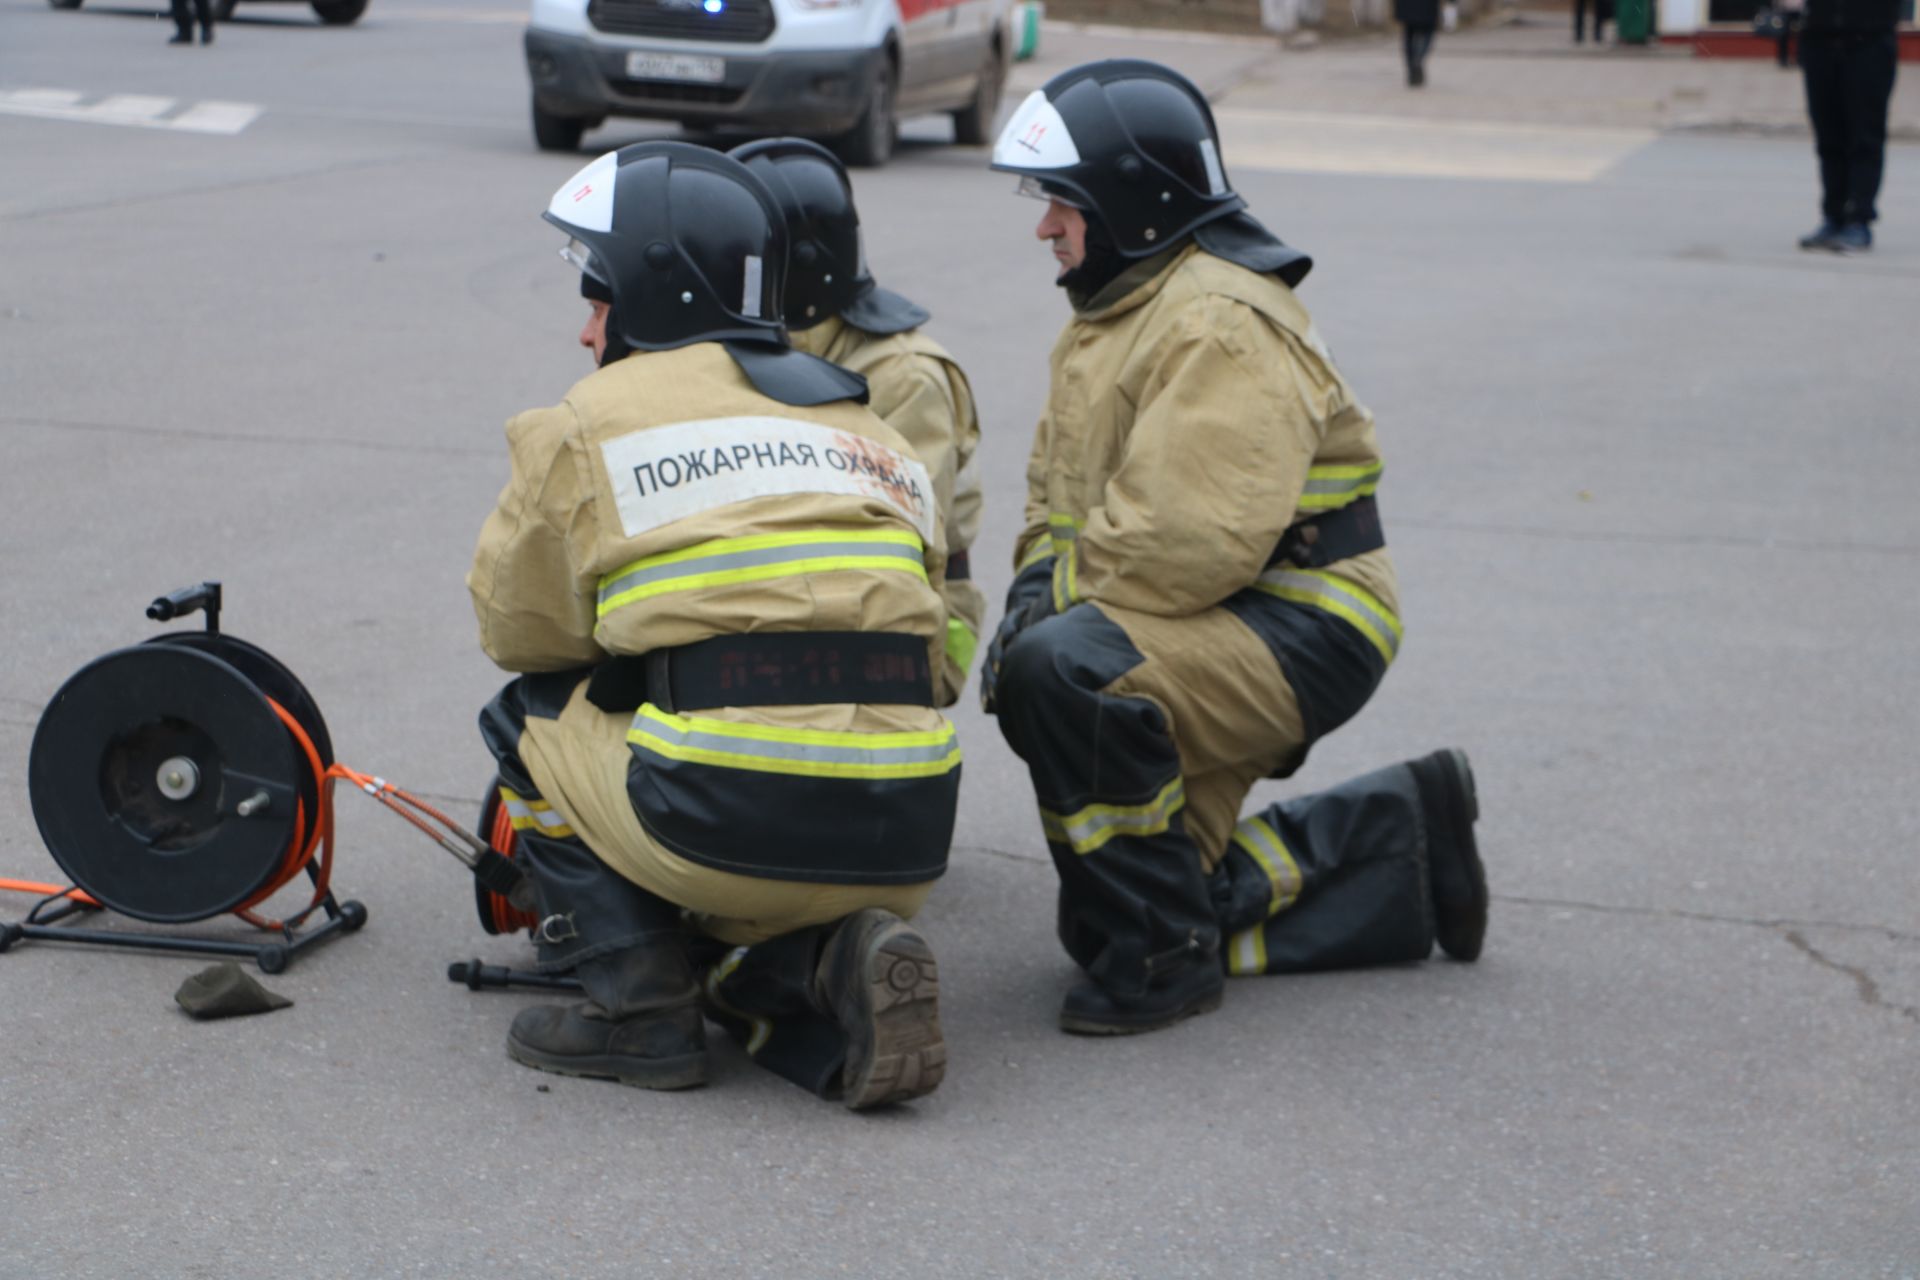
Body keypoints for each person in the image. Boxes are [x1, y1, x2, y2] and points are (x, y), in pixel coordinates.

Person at [982, 60, 1489, 1036]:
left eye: (1063, 202)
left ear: (1128, 203)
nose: (1046, 225)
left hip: (1300, 618)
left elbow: (1185, 541)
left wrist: (1049, 613)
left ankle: (1166, 960)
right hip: (1215, 612)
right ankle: (1411, 834)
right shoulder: (1117, 313)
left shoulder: (1220, 323)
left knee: (1064, 677)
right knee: (1143, 898)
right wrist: (1034, 584)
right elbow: (1057, 498)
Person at [468, 141, 956, 1108]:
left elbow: (516, 632)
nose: (585, 332)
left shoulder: (591, 422)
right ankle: (827, 960)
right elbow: (929, 638)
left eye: (594, 296)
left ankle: (639, 1009)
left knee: (529, 713)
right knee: (749, 764)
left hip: (723, 817)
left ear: (652, 296)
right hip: (909, 829)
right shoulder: (878, 434)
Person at [730, 137, 987, 704]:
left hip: (917, 625)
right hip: (801, 605)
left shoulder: (903, 378)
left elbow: (899, 559)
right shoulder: (760, 349)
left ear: (791, 272)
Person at [1795, 0, 1899, 252]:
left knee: (1865, 137)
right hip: (1818, 41)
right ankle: (1833, 217)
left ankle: (1859, 221)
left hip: (1870, 42)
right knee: (1828, 138)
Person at [1396, 0, 1439, 86]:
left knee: (1408, 35)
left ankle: (1411, 65)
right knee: (1428, 33)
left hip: (1406, 5)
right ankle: (1418, 58)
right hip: (1428, 6)